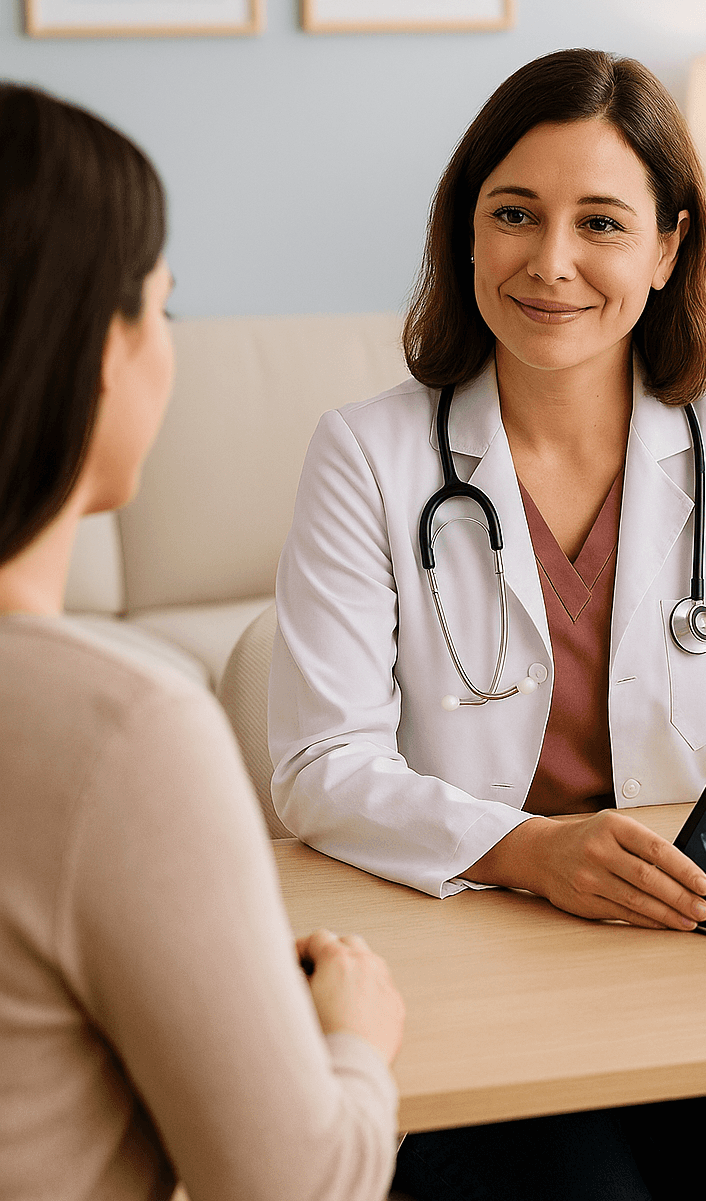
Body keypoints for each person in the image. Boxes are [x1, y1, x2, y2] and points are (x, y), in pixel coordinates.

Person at [269, 49, 706, 1201]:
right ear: (467, 232)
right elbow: (318, 762)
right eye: (514, 215)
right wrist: (532, 851)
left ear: (666, 248)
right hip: (479, 951)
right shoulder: (368, 457)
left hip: (705, 953)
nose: (551, 263)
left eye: (600, 221)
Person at [0, 84, 405, 1201]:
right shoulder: (118, 736)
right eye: (160, 310)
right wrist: (354, 1036)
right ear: (95, 348)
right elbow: (297, 1187)